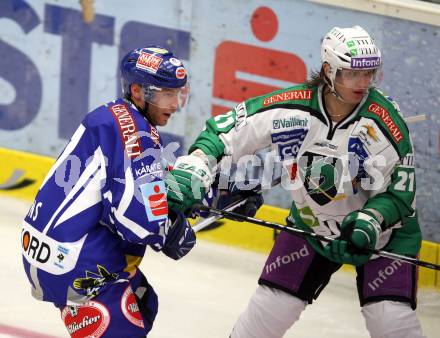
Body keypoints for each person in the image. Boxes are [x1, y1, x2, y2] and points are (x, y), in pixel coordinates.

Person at [165, 26, 425, 337]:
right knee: (262, 319)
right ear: (329, 71)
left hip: (385, 239)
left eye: (370, 73)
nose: (364, 82)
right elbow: (225, 131)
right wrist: (196, 164)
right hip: (309, 228)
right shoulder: (292, 108)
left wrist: (370, 221)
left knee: (390, 321)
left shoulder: (385, 121)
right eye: (353, 74)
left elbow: (399, 194)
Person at [21, 46, 196, 337]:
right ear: (138, 91)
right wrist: (171, 230)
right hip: (75, 262)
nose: (175, 103)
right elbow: (139, 223)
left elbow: (128, 184)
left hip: (46, 248)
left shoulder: (111, 115)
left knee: (143, 303)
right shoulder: (138, 135)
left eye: (178, 93)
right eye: (166, 93)